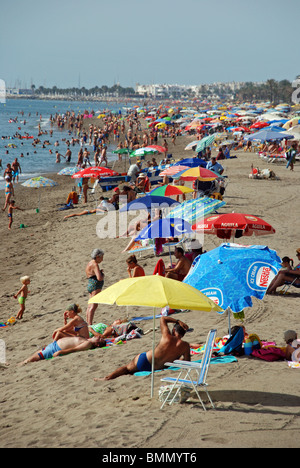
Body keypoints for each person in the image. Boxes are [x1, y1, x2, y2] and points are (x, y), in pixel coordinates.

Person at [94, 316, 190, 380]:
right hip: (156, 367)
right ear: (184, 334)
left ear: (173, 330)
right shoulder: (185, 346)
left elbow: (163, 319)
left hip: (145, 360)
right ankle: (107, 378)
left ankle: (106, 378)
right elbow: (187, 363)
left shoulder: (167, 336)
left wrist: (178, 321)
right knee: (129, 371)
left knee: (127, 369)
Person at [19, 335, 106, 365]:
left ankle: (20, 365)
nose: (98, 336)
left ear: (97, 344)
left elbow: (74, 349)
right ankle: (20, 364)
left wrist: (60, 352)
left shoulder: (88, 344)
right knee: (34, 356)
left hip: (56, 349)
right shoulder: (87, 340)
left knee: (33, 358)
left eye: (99, 339)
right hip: (54, 345)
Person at [85, 249, 104, 325]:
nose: (102, 259)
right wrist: (102, 274)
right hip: (95, 285)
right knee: (93, 305)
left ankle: (87, 323)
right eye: (101, 257)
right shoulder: (95, 264)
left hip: (90, 283)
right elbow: (99, 278)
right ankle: (89, 324)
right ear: (97, 256)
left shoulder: (89, 263)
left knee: (90, 305)